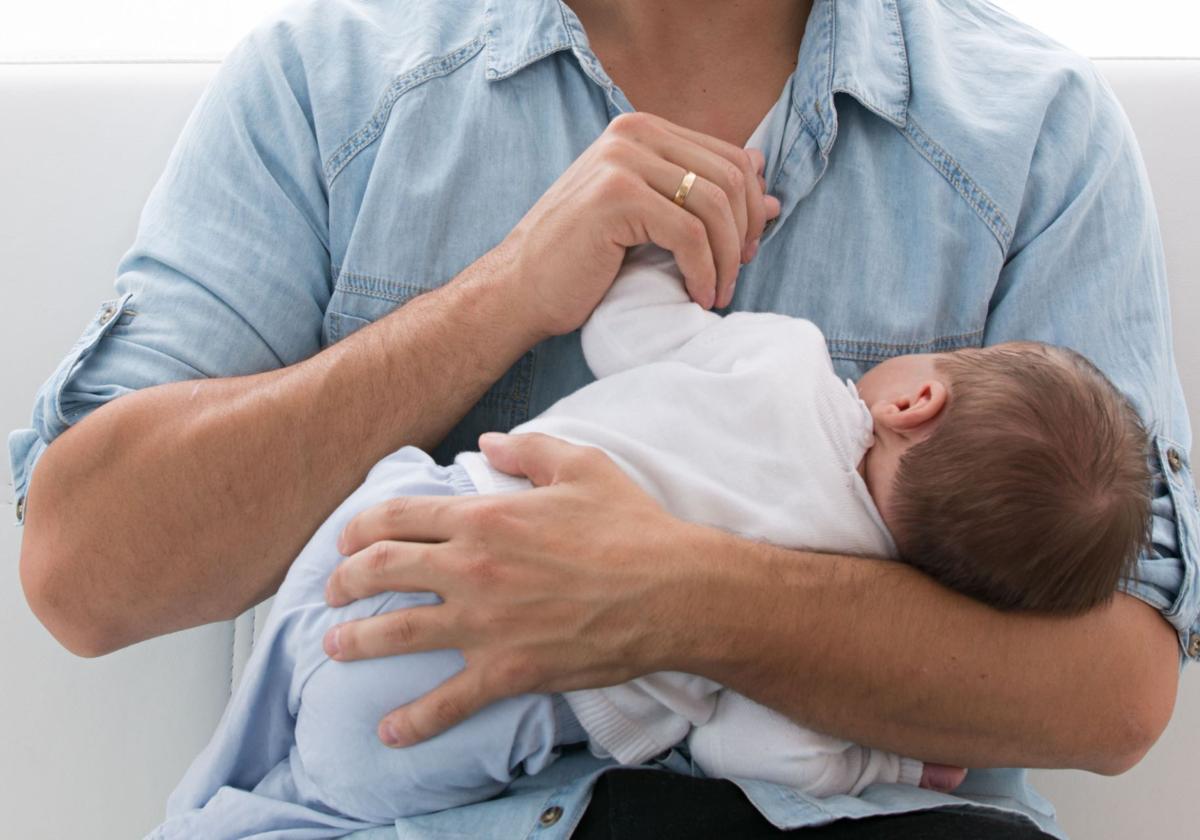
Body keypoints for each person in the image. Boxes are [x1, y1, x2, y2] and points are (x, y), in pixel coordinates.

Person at [11, 1, 1196, 837]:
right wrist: (505, 292)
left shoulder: (1036, 133)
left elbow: (1114, 694)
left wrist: (681, 598)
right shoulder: (324, 86)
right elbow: (88, 571)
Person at [149, 242, 1152, 839]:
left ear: (917, 393)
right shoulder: (838, 606)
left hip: (416, 517)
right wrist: (882, 768)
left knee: (262, 702)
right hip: (473, 707)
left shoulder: (785, 359)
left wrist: (648, 258)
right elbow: (737, 749)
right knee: (311, 792)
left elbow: (628, 333)